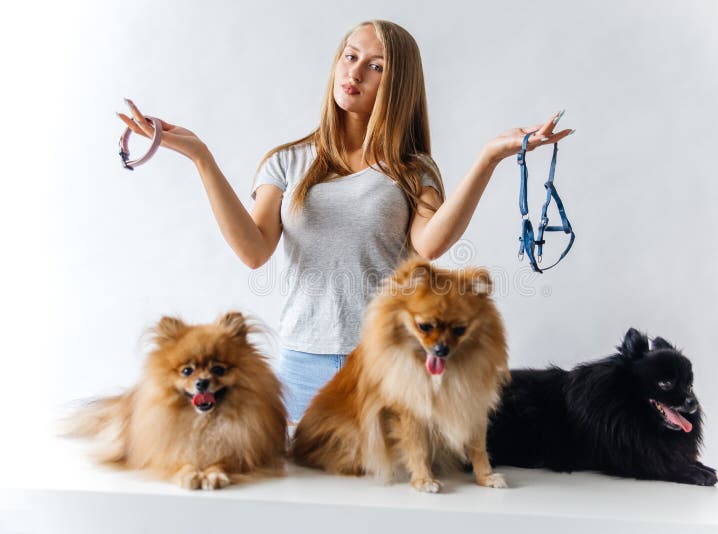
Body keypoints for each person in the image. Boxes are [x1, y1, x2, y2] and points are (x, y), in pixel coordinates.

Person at [116, 19, 574, 422]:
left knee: (386, 492)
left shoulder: (412, 169)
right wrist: (201, 157)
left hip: (384, 359)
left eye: (375, 66)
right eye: (350, 57)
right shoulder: (287, 162)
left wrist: (489, 158)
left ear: (397, 86)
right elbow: (253, 251)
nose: (354, 72)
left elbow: (431, 245)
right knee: (303, 491)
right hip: (301, 361)